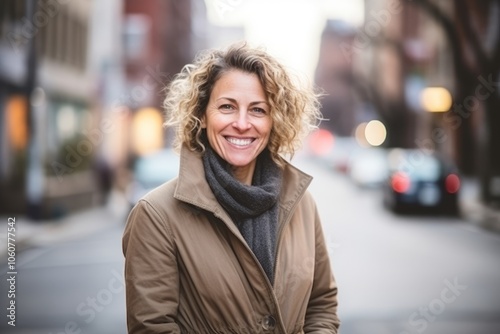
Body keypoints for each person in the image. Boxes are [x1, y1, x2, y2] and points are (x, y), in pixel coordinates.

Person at [122, 42, 340, 333]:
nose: (241, 123)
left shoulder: (302, 204)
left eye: (258, 110)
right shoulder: (156, 215)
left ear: (274, 121)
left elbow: (322, 304)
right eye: (227, 107)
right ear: (201, 114)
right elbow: (153, 327)